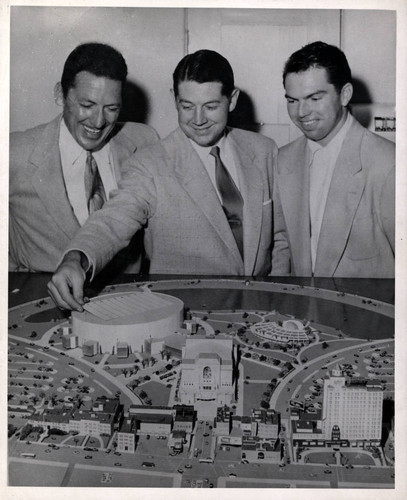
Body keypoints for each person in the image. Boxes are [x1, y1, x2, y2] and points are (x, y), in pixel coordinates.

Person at [48, 49, 287, 310]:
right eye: (187, 106)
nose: (198, 120)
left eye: (210, 106)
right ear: (174, 99)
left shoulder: (264, 150)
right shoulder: (149, 164)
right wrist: (77, 258)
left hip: (262, 309)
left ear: (232, 100)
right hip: (188, 316)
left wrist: (279, 298)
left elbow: (280, 239)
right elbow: (113, 219)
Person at [9, 42, 159, 272]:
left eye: (111, 108)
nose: (98, 122)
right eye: (87, 105)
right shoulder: (15, 151)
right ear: (60, 94)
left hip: (129, 299)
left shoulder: (144, 140)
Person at [273, 41, 394, 277]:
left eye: (314, 98)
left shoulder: (389, 163)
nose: (301, 113)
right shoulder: (283, 159)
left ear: (344, 95)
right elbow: (283, 245)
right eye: (292, 100)